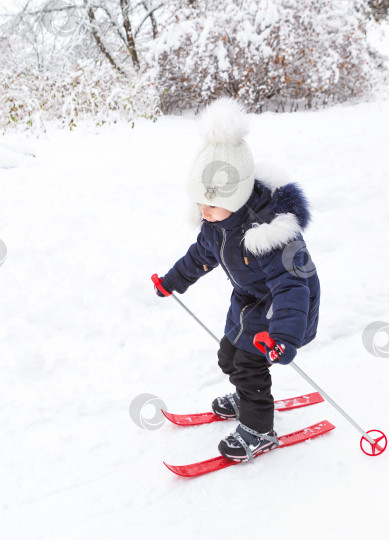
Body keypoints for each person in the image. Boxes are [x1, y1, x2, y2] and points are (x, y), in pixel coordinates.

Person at [154, 97, 320, 462]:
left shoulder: (272, 233)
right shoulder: (217, 224)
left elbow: (294, 286)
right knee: (228, 356)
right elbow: (200, 256)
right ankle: (246, 395)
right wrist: (171, 281)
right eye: (199, 203)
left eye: (211, 204)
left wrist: (285, 336)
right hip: (248, 299)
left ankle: (259, 428)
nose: (204, 212)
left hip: (282, 307)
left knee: (248, 363)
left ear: (239, 194)